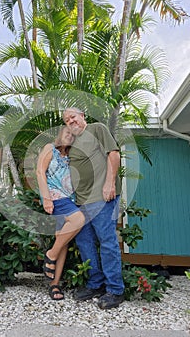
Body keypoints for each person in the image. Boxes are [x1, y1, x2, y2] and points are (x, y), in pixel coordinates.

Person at [63, 107, 125, 309]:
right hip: (80, 202)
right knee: (85, 243)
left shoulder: (97, 129)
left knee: (107, 242)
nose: (70, 121)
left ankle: (115, 291)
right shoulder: (71, 143)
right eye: (66, 120)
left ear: (83, 116)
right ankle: (95, 284)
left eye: (73, 116)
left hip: (101, 197)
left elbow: (113, 154)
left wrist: (109, 184)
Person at [36, 126, 85, 301]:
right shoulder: (50, 149)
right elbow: (40, 171)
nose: (70, 137)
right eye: (67, 133)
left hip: (70, 199)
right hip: (55, 198)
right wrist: (46, 198)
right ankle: (51, 255)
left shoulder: (72, 156)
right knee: (79, 219)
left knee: (63, 239)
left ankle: (54, 283)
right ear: (60, 134)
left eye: (73, 136)